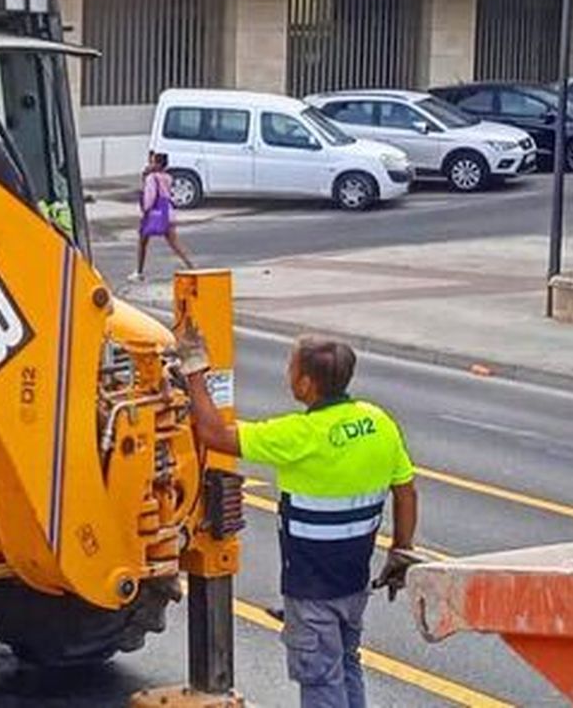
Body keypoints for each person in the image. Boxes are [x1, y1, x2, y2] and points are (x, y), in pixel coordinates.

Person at [176, 331, 422, 708]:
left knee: (321, 679)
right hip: (354, 584)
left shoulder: (299, 435)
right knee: (347, 664)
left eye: (291, 368)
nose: (287, 374)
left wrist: (194, 369)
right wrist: (400, 551)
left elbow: (213, 434)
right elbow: (406, 492)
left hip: (312, 591)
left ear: (306, 383)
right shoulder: (378, 422)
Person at [129, 151, 193, 283]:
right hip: (168, 212)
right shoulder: (168, 177)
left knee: (142, 243)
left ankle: (139, 272)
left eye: (152, 162)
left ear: (158, 164)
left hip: (154, 213)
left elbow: (150, 198)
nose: (150, 164)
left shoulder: (151, 178)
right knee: (175, 243)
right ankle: (191, 266)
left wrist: (145, 211)